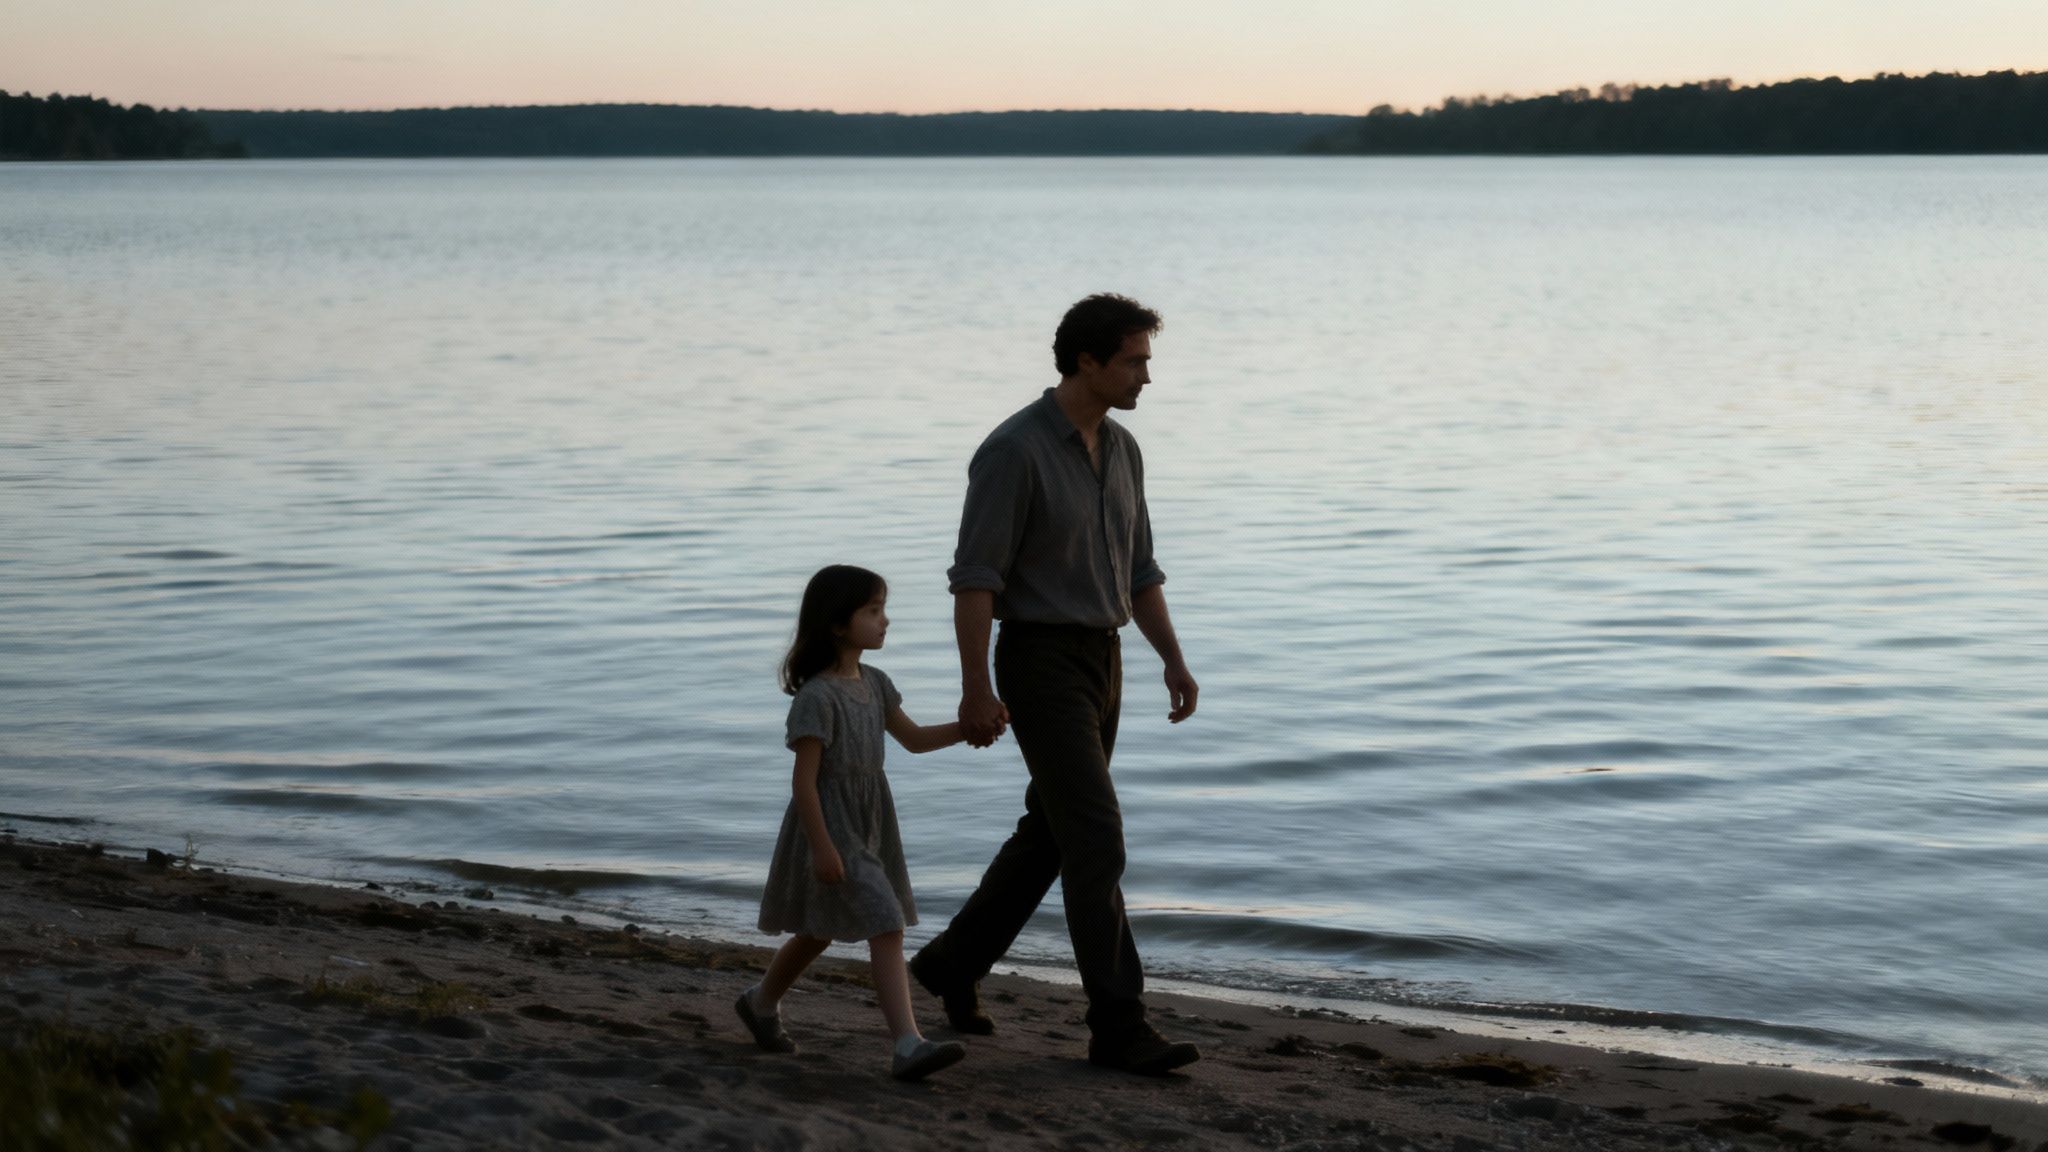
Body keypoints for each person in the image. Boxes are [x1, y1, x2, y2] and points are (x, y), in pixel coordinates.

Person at [909, 293, 1203, 1076]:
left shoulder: (1124, 448)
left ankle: (949, 964)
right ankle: (1118, 1025)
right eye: (1135, 360)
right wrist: (975, 687)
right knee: (1096, 836)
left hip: (1102, 662)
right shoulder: (1013, 451)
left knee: (1054, 833)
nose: (1147, 375)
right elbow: (975, 580)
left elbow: (1140, 572)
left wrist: (1171, 657)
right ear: (1087, 361)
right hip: (1037, 661)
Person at [739, 564, 969, 1082]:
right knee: (885, 922)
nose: (885, 620)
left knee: (819, 929)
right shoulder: (817, 697)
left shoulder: (877, 683)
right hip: (831, 825)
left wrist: (968, 729)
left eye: (883, 609)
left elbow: (913, 739)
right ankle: (907, 1044)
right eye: (873, 610)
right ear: (838, 624)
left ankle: (760, 1001)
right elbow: (804, 783)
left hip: (871, 824)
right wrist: (822, 848)